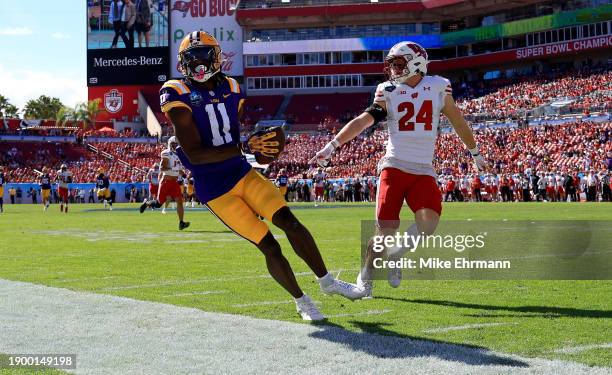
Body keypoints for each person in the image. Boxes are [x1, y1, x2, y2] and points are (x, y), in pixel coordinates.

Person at [153, 31, 365, 320]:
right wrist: (242, 147)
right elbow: (196, 154)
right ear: (182, 63)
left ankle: (327, 282)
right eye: (192, 58)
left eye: (204, 56)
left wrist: (257, 151)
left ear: (216, 58)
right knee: (269, 245)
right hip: (215, 189)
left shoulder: (232, 87)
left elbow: (228, 133)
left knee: (290, 221)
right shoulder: (175, 90)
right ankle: (302, 301)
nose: (199, 63)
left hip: (241, 173)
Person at [310, 40, 488, 297]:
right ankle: (365, 279)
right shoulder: (388, 90)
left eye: (398, 63)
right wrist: (333, 144)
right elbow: (363, 120)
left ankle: (396, 256)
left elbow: (458, 121)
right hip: (394, 166)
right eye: (392, 64)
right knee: (383, 233)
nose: (393, 69)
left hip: (423, 168)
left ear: (416, 63)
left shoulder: (438, 86)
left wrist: (475, 152)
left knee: (429, 223)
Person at [140, 137, 190, 230]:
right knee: (159, 204)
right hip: (166, 182)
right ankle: (146, 203)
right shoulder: (166, 153)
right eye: (173, 144)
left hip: (174, 183)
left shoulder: (179, 155)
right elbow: (162, 168)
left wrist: (185, 177)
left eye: (176, 144)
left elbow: (179, 170)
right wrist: (173, 169)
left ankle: (181, 222)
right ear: (169, 144)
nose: (175, 145)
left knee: (180, 201)